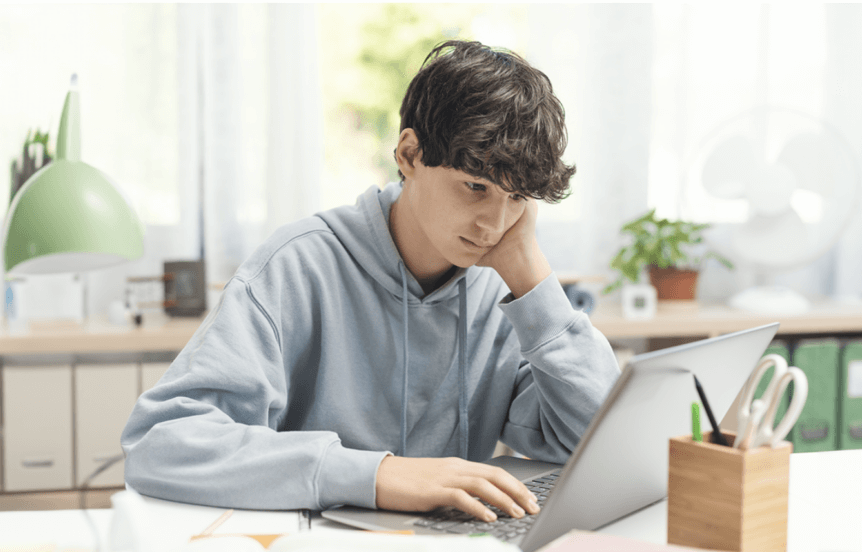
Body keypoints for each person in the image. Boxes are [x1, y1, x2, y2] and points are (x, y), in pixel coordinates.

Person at [121, 40, 620, 523]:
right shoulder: (298, 267)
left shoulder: (502, 291)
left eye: (516, 199)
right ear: (409, 154)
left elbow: (601, 442)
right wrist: (376, 475)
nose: (494, 224)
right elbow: (160, 444)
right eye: (476, 187)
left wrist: (532, 276)